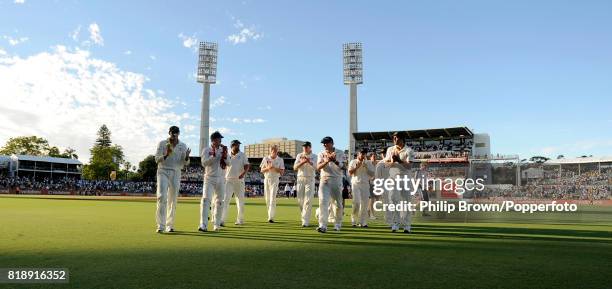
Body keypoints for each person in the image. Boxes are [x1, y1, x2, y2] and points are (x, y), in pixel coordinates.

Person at [154, 126, 190, 233]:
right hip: (163, 171)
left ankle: (170, 225)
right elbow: (156, 159)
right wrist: (166, 155)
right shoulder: (162, 143)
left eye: (176, 132)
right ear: (169, 133)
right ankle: (160, 225)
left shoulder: (182, 146)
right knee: (161, 197)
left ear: (179, 133)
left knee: (173, 199)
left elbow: (185, 162)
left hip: (176, 172)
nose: (174, 134)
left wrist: (187, 157)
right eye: (172, 132)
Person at [199, 131, 229, 232]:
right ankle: (203, 224)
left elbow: (228, 163)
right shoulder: (206, 150)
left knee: (220, 202)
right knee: (206, 200)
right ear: (213, 140)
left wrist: (224, 155)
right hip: (209, 178)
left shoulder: (223, 149)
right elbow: (204, 163)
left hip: (221, 178)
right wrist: (214, 156)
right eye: (219, 139)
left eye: (221, 139)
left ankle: (216, 224)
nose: (220, 140)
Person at [384, 131, 415, 233]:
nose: (394, 140)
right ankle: (395, 223)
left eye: (396, 138)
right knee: (393, 200)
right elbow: (386, 164)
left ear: (402, 139)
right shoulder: (390, 150)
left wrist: (399, 160)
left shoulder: (409, 150)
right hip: (393, 178)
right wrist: (393, 161)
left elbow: (409, 166)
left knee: (406, 202)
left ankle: (406, 225)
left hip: (405, 178)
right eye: (393, 138)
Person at [316, 136, 346, 233]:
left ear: (332, 143)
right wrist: (327, 161)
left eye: (326, 143)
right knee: (323, 202)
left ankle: (337, 224)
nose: (324, 145)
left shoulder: (340, 152)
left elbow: (344, 167)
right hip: (324, 179)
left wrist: (335, 161)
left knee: (338, 204)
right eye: (323, 143)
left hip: (336, 179)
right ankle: (322, 225)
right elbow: (318, 167)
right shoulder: (321, 153)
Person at [221, 140, 250, 226]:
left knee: (240, 201)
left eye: (238, 145)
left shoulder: (242, 155)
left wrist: (243, 174)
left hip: (239, 180)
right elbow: (223, 166)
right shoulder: (227, 155)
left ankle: (240, 219)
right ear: (232, 146)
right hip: (228, 180)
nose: (238, 146)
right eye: (236, 145)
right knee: (225, 200)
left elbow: (247, 166)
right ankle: (222, 219)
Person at [348, 148, 375, 227]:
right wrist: (357, 167)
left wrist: (366, 167)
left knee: (364, 204)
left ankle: (363, 222)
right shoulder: (353, 162)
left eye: (364, 153)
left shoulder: (369, 163)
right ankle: (353, 219)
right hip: (355, 184)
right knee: (356, 202)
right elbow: (350, 173)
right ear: (358, 154)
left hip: (365, 184)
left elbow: (372, 174)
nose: (363, 155)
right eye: (362, 153)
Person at [293, 141, 317, 227]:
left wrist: (309, 161)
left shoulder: (314, 156)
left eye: (306, 147)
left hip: (310, 178)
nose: (305, 148)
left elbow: (317, 167)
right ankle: (304, 216)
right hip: (300, 178)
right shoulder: (299, 155)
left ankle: (305, 221)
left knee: (308, 200)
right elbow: (295, 167)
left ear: (310, 147)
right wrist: (302, 162)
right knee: (300, 200)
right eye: (304, 147)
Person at [260, 145, 285, 223]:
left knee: (272, 198)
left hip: (275, 180)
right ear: (270, 151)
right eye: (272, 150)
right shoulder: (265, 158)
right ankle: (269, 215)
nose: (274, 151)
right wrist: (268, 168)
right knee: (267, 199)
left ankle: (271, 217)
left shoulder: (280, 160)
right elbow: (262, 170)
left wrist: (273, 168)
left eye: (275, 150)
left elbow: (282, 172)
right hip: (267, 179)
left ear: (277, 151)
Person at [374, 148, 392, 226]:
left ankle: (395, 220)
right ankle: (389, 220)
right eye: (382, 153)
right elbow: (378, 178)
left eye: (385, 153)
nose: (383, 154)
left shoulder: (394, 163)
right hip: (385, 186)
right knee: (388, 204)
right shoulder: (380, 164)